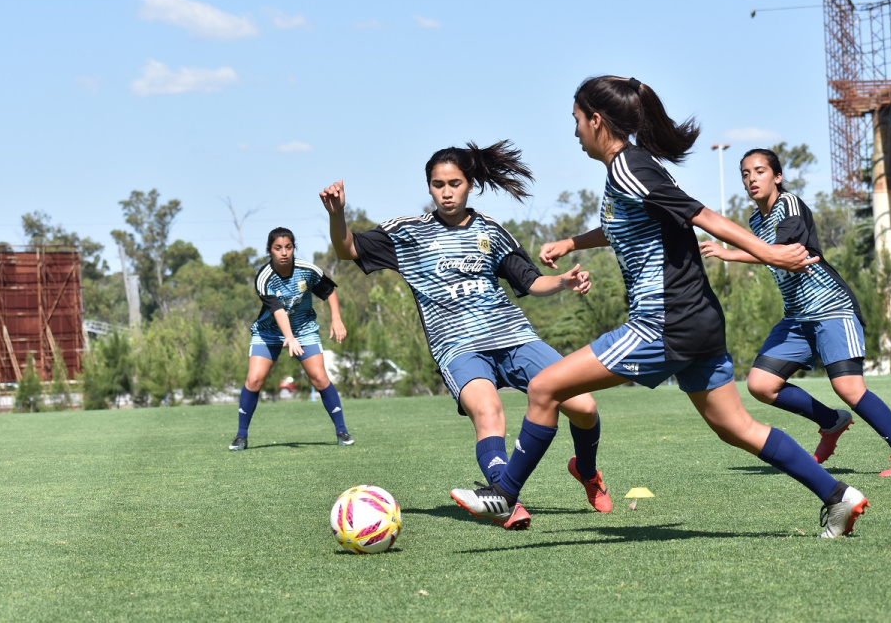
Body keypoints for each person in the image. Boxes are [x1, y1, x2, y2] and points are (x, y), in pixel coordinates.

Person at [450, 76, 869, 538]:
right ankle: (838, 497)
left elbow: (701, 215)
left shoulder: (630, 166)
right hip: (695, 320)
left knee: (545, 388)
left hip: (664, 322)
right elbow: (623, 225)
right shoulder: (630, 170)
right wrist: (572, 242)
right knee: (737, 428)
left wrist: (770, 253)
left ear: (596, 120)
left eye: (576, 121)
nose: (574, 133)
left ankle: (504, 494)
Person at [319, 141, 611, 530]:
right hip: (458, 348)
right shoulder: (408, 233)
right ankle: (506, 501)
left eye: (454, 183)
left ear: (470, 184)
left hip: (514, 337)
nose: (447, 191)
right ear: (429, 188)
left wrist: (563, 281)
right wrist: (338, 215)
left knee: (585, 408)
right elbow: (346, 248)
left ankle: (586, 470)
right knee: (489, 412)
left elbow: (531, 281)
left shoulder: (492, 231)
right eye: (438, 184)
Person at [699, 148, 891, 475]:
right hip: (797, 318)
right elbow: (769, 253)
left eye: (759, 171)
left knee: (848, 388)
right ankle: (831, 421)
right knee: (761, 384)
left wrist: (732, 252)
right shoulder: (756, 220)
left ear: (777, 176)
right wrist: (733, 252)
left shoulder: (789, 205)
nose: (751, 179)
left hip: (832, 308)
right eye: (745, 174)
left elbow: (787, 253)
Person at [228, 227, 354, 451]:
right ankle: (241, 436)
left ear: (294, 248)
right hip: (268, 332)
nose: (284, 252)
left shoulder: (307, 270)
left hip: (304, 330)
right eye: (278, 248)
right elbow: (277, 311)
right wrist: (288, 337)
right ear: (269, 250)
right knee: (254, 379)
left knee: (319, 377)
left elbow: (329, 291)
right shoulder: (264, 277)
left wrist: (336, 319)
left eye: (288, 247)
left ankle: (342, 431)